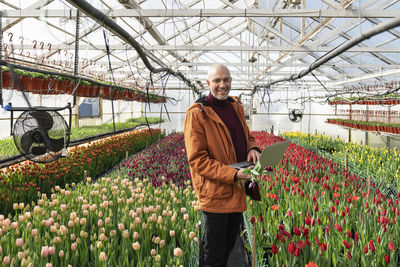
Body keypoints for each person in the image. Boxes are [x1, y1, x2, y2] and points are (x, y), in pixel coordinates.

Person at [184, 63, 261, 267]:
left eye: (226, 80)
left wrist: (253, 148)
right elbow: (198, 160)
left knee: (228, 246)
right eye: (217, 80)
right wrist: (234, 175)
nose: (222, 85)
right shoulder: (197, 114)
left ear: (231, 82)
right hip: (215, 195)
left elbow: (247, 135)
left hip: (236, 191)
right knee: (214, 255)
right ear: (208, 83)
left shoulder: (236, 106)